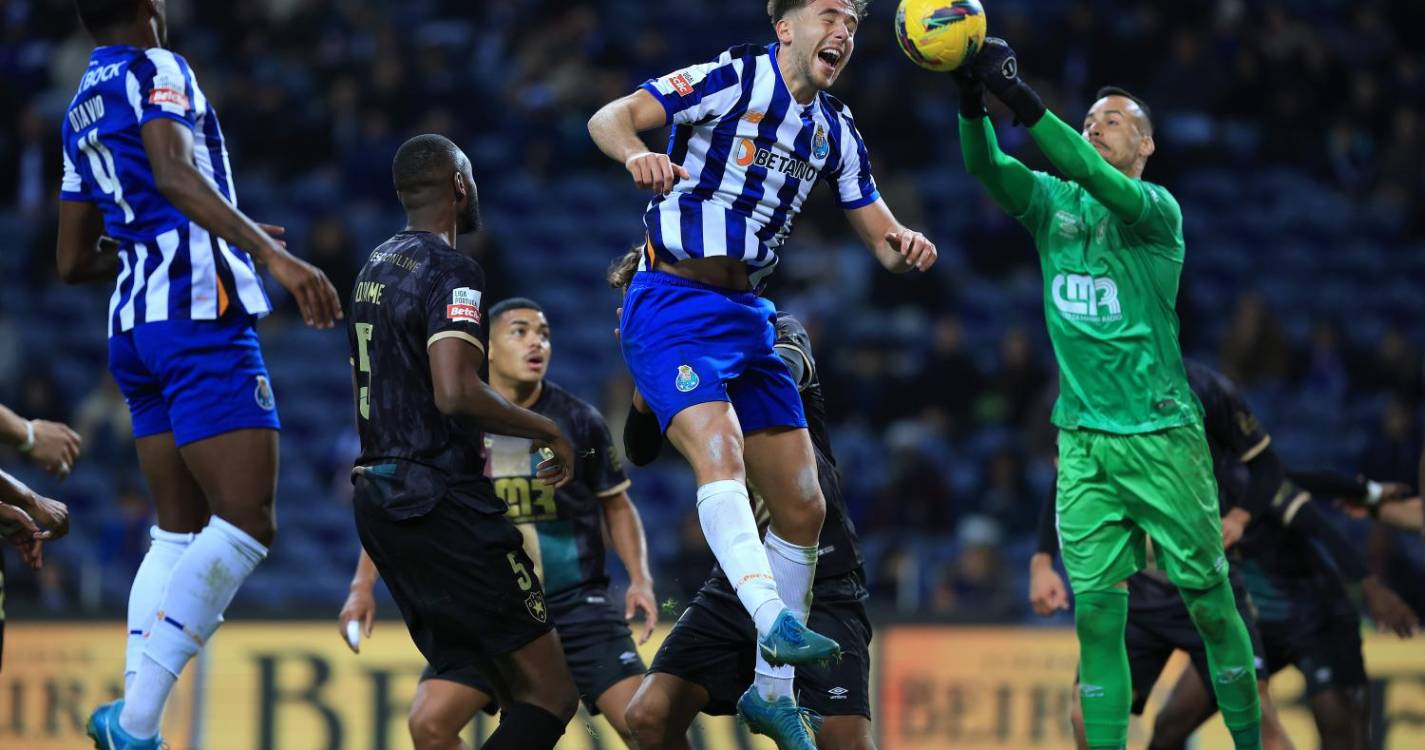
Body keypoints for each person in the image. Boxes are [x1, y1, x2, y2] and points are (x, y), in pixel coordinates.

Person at [587, 2, 935, 744]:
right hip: (670, 298)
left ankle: (770, 693)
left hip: (746, 314)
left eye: (854, 20)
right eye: (830, 12)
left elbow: (875, 230)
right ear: (786, 24)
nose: (843, 29)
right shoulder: (728, 77)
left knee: (803, 505)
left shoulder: (834, 130)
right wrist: (634, 154)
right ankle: (769, 617)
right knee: (722, 452)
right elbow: (610, 116)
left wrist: (902, 243)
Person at [956, 39, 1261, 750]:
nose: (1096, 124)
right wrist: (969, 97)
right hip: (1083, 441)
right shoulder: (1050, 204)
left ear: (1146, 143)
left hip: (1161, 438)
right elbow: (983, 166)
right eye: (1089, 117)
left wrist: (1022, 97)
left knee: (1213, 609)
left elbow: (1091, 172)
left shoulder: (1155, 212)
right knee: (1096, 616)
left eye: (1114, 119)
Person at [58, 2, 343, 747]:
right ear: (151, 8)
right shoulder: (159, 67)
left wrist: (187, 239)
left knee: (175, 531)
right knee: (247, 521)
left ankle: (130, 716)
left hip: (132, 327)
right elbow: (176, 174)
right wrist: (269, 254)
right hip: (194, 317)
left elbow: (70, 259)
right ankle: (139, 724)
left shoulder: (77, 109)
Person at [345, 133, 580, 750]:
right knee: (550, 694)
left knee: (480, 683)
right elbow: (454, 391)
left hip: (379, 499)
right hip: (441, 501)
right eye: (472, 177)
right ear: (457, 184)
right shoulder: (453, 270)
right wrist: (546, 428)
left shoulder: (372, 266)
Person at [338, 296, 656, 749]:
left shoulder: (578, 421)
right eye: (520, 331)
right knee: (430, 724)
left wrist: (640, 579)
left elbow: (617, 504)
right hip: (496, 606)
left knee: (648, 725)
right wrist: (360, 586)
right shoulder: (449, 423)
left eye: (544, 334)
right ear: (485, 347)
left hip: (574, 604)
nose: (537, 343)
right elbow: (407, 504)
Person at [604, 250, 875, 750]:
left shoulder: (771, 331)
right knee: (648, 716)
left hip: (824, 579)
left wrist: (685, 358)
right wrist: (652, 368)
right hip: (740, 586)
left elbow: (787, 373)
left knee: (843, 743)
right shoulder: (670, 365)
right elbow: (639, 451)